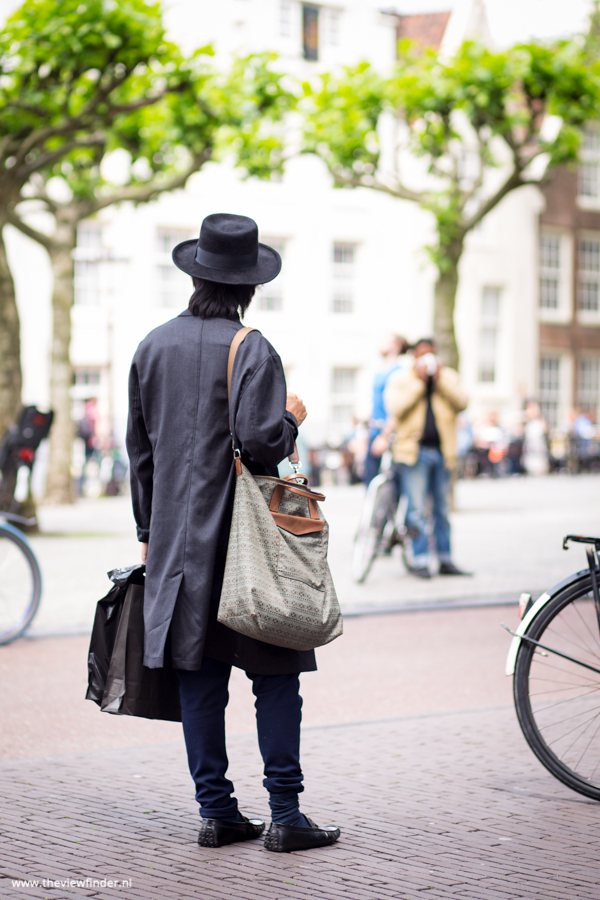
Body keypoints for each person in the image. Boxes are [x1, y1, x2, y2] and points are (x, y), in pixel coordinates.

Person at [126, 213, 340, 853]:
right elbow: (261, 444)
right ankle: (285, 815)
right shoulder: (253, 349)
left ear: (194, 275)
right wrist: (292, 418)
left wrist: (147, 531)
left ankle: (216, 812)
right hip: (248, 548)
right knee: (276, 676)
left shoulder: (151, 346)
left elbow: (138, 454)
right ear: (249, 286)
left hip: (177, 549)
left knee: (200, 680)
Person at [385, 337, 469, 579]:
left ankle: (445, 559)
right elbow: (396, 408)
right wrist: (420, 383)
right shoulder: (402, 379)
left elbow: (462, 402)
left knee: (442, 509)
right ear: (413, 357)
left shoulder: (448, 377)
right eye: (422, 355)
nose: (427, 360)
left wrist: (439, 381)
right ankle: (420, 559)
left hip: (443, 452)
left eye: (431, 354)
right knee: (417, 509)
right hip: (414, 453)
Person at [364, 333, 410, 485]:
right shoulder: (380, 371)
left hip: (389, 433)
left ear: (396, 347)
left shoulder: (399, 372)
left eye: (387, 341)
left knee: (390, 482)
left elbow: (396, 408)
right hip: (375, 431)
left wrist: (385, 436)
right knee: (370, 480)